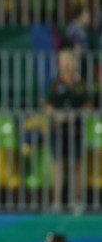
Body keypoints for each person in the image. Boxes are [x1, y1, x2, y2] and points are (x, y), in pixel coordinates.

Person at [45, 48, 91, 210]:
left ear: (74, 63)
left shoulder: (81, 84)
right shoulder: (55, 83)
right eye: (64, 60)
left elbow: (87, 106)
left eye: (69, 60)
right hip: (57, 131)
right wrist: (56, 116)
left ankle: (76, 201)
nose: (67, 64)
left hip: (76, 131)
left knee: (76, 165)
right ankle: (56, 201)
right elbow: (47, 105)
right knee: (58, 165)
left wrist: (76, 115)